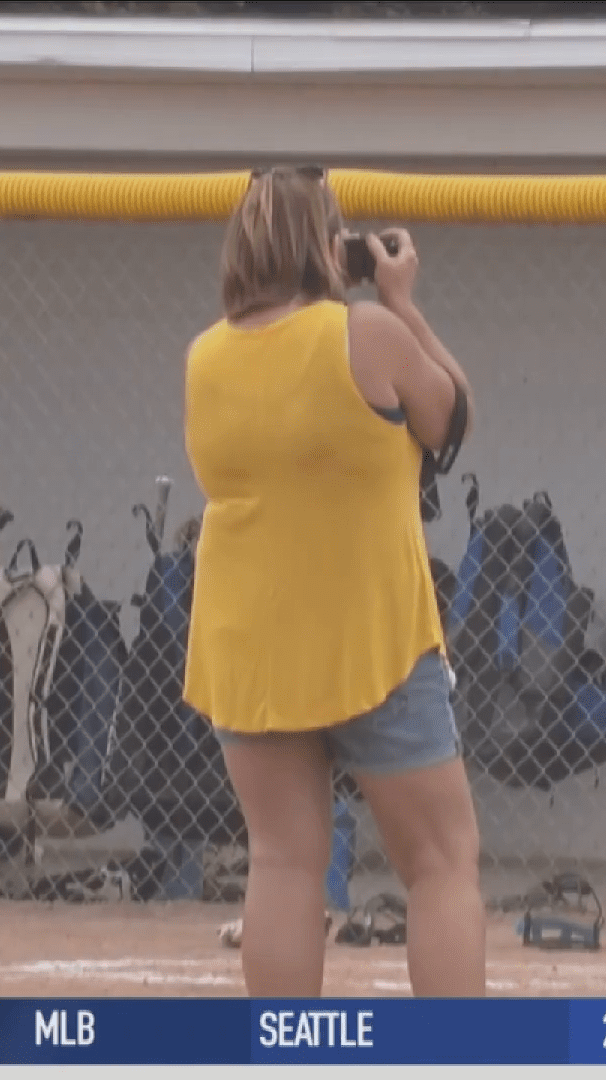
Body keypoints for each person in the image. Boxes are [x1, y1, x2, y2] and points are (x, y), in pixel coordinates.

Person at [182, 164, 486, 996]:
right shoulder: (364, 332)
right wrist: (401, 299)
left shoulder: (205, 356)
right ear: (329, 245)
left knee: (283, 863)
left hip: (248, 642)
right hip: (369, 633)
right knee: (441, 861)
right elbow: (451, 412)